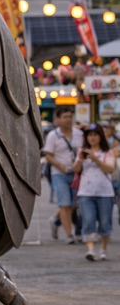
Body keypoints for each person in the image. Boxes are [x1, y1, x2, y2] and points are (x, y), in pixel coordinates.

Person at [73, 124, 115, 261]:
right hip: (86, 191)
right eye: (89, 135)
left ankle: (103, 249)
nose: (92, 138)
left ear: (100, 137)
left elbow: (110, 169)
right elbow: (75, 169)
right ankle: (90, 250)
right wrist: (80, 158)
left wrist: (96, 159)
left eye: (95, 135)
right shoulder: (82, 151)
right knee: (88, 220)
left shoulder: (107, 152)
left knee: (104, 222)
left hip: (105, 192)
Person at [43, 106, 84, 244]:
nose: (68, 119)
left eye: (70, 116)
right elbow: (48, 156)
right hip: (59, 173)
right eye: (65, 117)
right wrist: (61, 167)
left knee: (73, 205)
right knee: (65, 204)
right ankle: (69, 235)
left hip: (76, 173)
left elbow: (83, 152)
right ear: (58, 120)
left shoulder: (79, 134)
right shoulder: (53, 135)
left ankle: (55, 221)